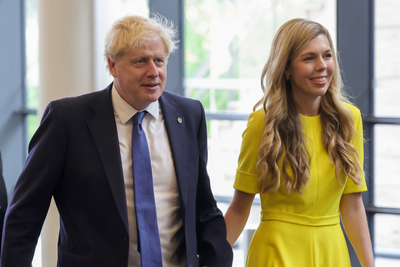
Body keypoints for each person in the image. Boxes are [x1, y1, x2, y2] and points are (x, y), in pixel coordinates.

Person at [1, 15, 233, 267]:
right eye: (140, 62)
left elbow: (203, 206)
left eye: (159, 61)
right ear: (113, 66)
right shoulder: (68, 120)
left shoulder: (189, 115)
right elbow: (26, 213)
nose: (153, 72)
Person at [224, 18, 374, 267]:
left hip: (332, 253)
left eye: (327, 56)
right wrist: (207, 260)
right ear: (286, 68)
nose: (322, 66)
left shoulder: (349, 120)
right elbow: (239, 209)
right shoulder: (263, 123)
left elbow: (352, 205)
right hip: (276, 253)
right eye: (308, 58)